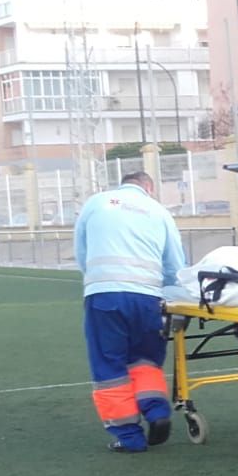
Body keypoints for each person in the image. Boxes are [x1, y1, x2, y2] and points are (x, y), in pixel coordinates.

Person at [74, 170, 186, 453]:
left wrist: (95, 277)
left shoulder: (97, 203)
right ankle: (157, 412)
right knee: (145, 360)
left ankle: (128, 435)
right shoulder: (159, 211)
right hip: (148, 296)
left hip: (105, 295)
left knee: (109, 364)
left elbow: (81, 249)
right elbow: (175, 264)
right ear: (149, 187)